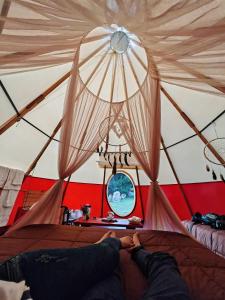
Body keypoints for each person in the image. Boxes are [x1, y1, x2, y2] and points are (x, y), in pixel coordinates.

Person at [0, 231, 190, 300]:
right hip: (15, 282)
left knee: (105, 271)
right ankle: (131, 250)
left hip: (12, 286)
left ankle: (106, 250)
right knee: (164, 263)